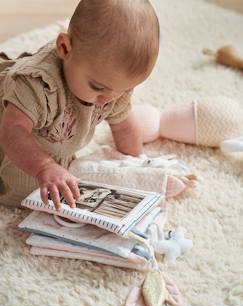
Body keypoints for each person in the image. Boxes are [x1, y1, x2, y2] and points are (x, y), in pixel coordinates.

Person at [1, 0, 243, 211]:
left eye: (123, 89)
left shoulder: (111, 88)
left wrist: (138, 165)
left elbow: (124, 126)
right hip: (10, 147)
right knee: (20, 189)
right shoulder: (37, 85)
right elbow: (12, 131)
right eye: (98, 87)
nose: (108, 98)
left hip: (54, 147)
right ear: (65, 48)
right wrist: (44, 167)